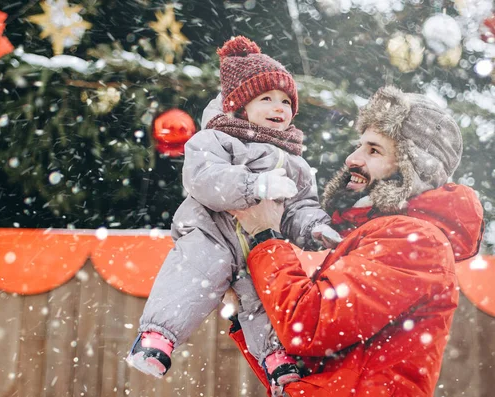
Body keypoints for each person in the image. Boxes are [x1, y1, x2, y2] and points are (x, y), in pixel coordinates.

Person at [228, 85, 485, 397]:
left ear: (411, 169)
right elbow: (307, 373)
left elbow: (307, 325)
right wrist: (245, 308)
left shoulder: (414, 239)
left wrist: (265, 236)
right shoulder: (380, 234)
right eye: (359, 145)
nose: (352, 158)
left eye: (374, 150)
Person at [126, 36, 340, 390]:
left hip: (257, 243)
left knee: (264, 297)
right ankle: (157, 338)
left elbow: (300, 206)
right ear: (239, 105)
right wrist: (255, 187)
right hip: (212, 231)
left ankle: (276, 358)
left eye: (286, 101)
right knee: (194, 276)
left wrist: (315, 227)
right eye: (267, 98)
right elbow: (204, 180)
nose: (279, 107)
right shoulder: (217, 140)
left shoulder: (296, 162)